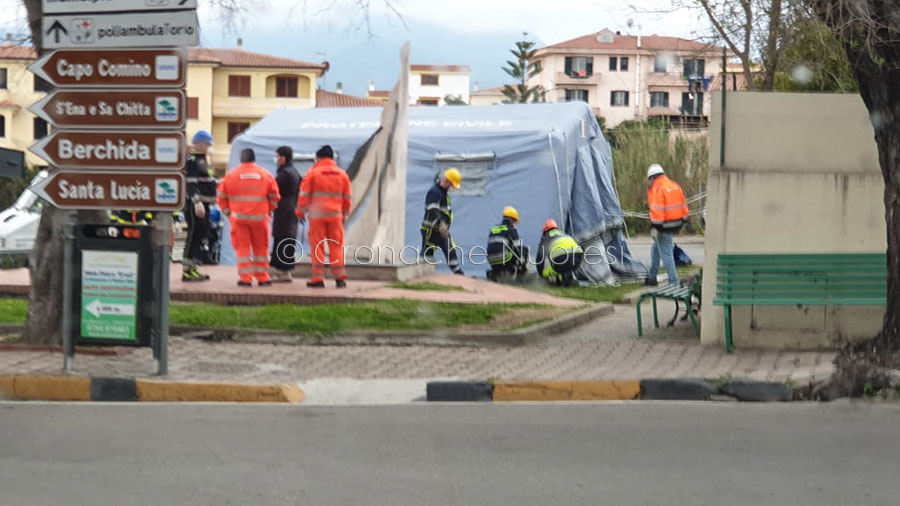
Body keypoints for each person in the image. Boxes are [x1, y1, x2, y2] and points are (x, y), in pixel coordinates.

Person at [217, 149, 280, 287]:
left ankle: (246, 279)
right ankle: (263, 278)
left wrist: (228, 212)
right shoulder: (265, 175)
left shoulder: (231, 175)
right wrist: (268, 210)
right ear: (253, 158)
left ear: (241, 159)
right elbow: (275, 197)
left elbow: (221, 196)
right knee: (261, 249)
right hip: (260, 218)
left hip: (239, 219)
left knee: (242, 249)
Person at [296, 145, 351, 288]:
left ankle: (318, 278)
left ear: (318, 158)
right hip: (335, 216)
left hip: (317, 217)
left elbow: (304, 195)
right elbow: (347, 198)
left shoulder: (313, 174)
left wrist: (300, 212)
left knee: (317, 247)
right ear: (332, 158)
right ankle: (340, 278)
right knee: (336, 246)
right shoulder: (342, 174)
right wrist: (344, 213)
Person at [182, 130, 217, 282]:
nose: (210, 147)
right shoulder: (192, 161)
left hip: (205, 205)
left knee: (200, 236)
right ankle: (187, 269)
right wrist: (196, 202)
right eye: (208, 144)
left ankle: (193, 267)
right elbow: (190, 184)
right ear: (200, 144)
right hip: (196, 205)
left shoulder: (203, 161)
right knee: (193, 235)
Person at [646, 163, 689, 286]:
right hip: (675, 224)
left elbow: (657, 210)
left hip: (663, 226)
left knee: (667, 255)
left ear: (653, 177)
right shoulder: (674, 186)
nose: (649, 183)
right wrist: (682, 223)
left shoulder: (657, 188)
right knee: (655, 249)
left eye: (649, 180)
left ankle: (674, 282)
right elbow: (684, 207)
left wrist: (655, 227)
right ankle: (652, 277)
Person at [421, 168, 464, 275]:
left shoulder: (445, 194)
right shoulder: (434, 192)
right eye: (452, 185)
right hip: (431, 230)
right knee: (427, 254)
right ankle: (423, 274)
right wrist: (441, 223)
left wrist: (444, 227)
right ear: (448, 182)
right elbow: (432, 209)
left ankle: (458, 274)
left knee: (450, 250)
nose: (453, 188)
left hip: (443, 230)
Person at [270, 145, 302, 283]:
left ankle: (284, 271)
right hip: (291, 209)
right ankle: (283, 271)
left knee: (282, 239)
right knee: (287, 240)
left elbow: (272, 190)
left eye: (277, 156)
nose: (276, 159)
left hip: (284, 211)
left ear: (283, 158)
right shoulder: (294, 172)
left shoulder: (284, 174)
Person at [536, 219, 584, 286]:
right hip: (578, 257)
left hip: (561, 259)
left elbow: (540, 258)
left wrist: (540, 273)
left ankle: (555, 282)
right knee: (567, 266)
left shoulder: (546, 238)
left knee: (549, 270)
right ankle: (567, 280)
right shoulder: (564, 234)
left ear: (545, 232)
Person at [486, 206, 528, 283]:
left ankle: (494, 273)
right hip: (504, 259)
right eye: (515, 222)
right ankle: (519, 278)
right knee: (524, 250)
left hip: (490, 259)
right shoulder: (512, 230)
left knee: (505, 250)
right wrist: (522, 265)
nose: (515, 224)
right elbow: (518, 249)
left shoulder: (494, 229)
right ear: (512, 220)